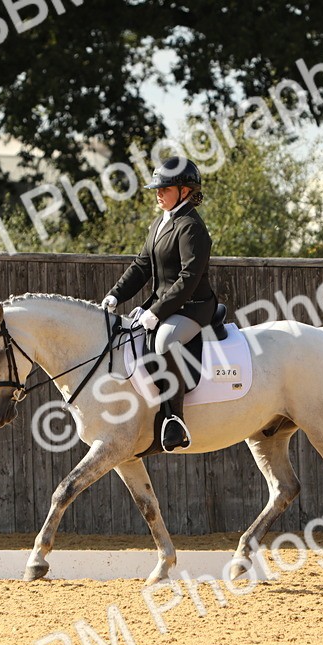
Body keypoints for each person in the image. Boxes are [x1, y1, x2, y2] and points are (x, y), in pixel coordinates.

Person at [102, 156, 217, 451]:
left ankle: (175, 422)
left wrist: (156, 312)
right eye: (157, 188)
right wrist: (115, 294)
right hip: (165, 304)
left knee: (164, 341)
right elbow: (141, 266)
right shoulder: (161, 222)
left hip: (193, 305)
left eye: (164, 189)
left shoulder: (191, 227)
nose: (158, 193)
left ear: (185, 190)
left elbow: (188, 279)